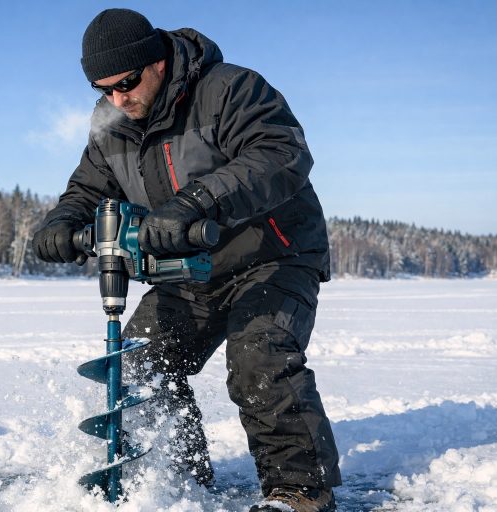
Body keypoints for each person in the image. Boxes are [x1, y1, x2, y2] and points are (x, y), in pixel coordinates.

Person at [32, 8, 341, 512]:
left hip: (274, 254)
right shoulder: (113, 121)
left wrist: (196, 202)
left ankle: (299, 492)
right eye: (103, 89)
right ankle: (177, 480)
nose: (117, 98)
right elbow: (88, 186)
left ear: (156, 62)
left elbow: (280, 153)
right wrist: (60, 224)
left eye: (126, 83)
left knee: (258, 357)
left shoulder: (229, 89)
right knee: (136, 366)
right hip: (189, 269)